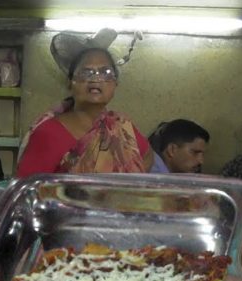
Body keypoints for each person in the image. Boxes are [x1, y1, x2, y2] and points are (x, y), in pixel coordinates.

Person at [16, 30, 153, 177]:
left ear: (115, 83)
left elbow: (147, 156)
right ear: (70, 83)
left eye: (105, 72)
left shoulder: (123, 128)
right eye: (86, 72)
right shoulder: (49, 133)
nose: (96, 79)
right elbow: (27, 189)